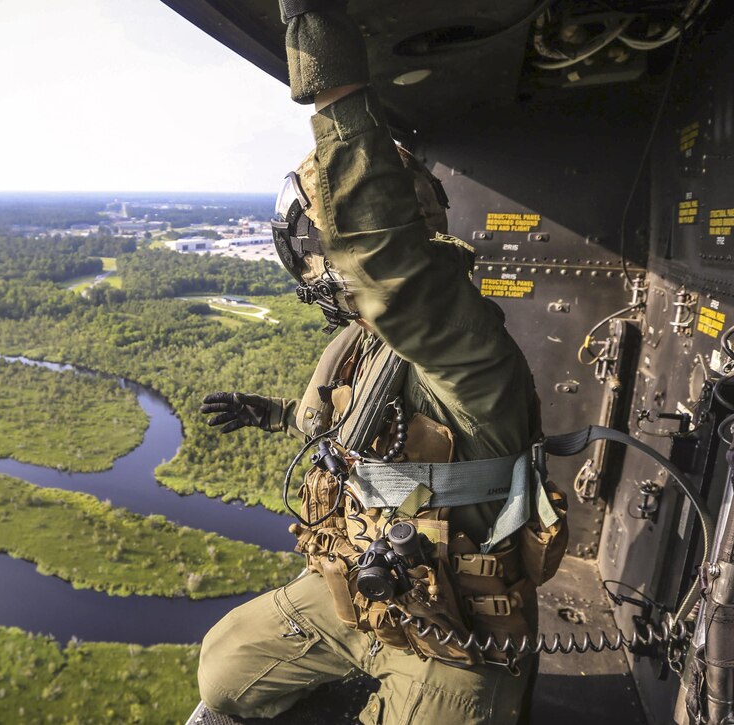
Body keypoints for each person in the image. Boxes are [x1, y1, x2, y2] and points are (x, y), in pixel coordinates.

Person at [195, 2, 567, 722]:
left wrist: (329, 76)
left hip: (455, 632)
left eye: (320, 246)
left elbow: (390, 264)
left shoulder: (467, 355)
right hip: (358, 597)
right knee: (223, 671)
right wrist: (275, 414)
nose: (313, 263)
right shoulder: (367, 349)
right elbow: (347, 436)